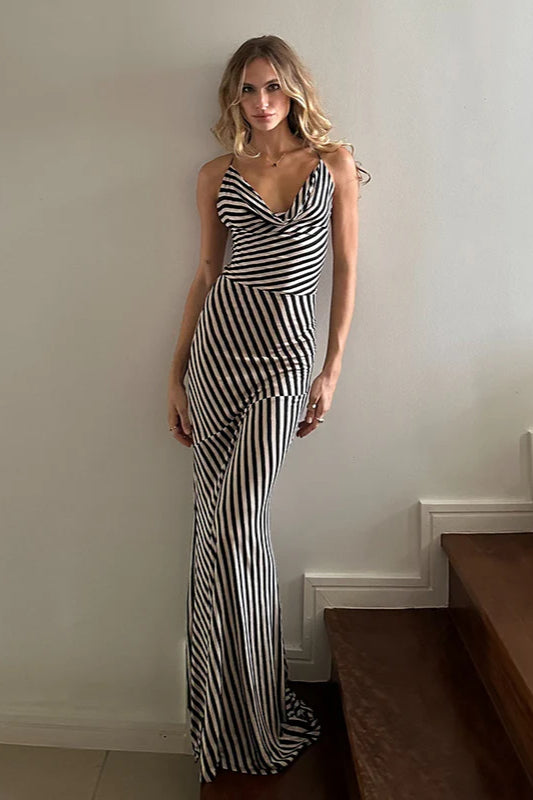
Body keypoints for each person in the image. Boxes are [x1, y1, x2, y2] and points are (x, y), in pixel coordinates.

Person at [167, 34, 368, 785]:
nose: (260, 103)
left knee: (238, 521)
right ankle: (222, 714)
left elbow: (345, 268)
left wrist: (331, 370)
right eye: (248, 90)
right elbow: (205, 274)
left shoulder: (332, 164)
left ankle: (258, 712)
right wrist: (175, 374)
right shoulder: (216, 175)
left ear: (293, 91)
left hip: (285, 363)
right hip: (218, 359)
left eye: (272, 88)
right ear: (234, 97)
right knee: (213, 529)